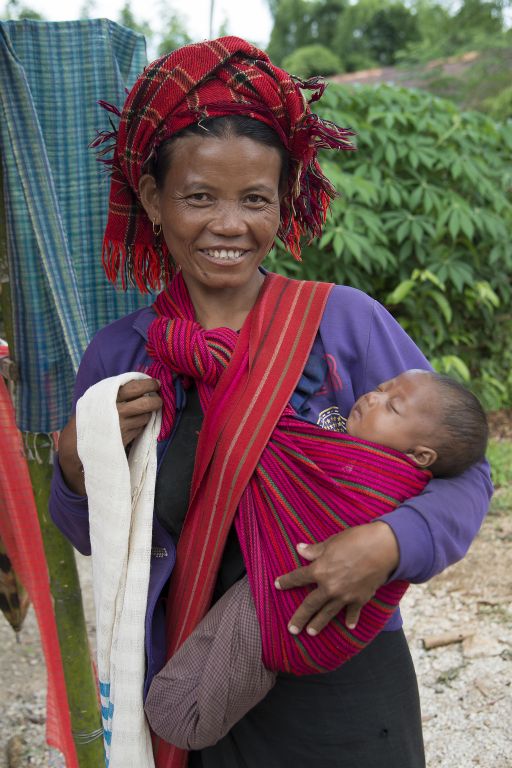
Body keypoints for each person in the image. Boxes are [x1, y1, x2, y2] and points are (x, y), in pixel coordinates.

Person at [49, 37, 492, 768]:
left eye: (255, 199)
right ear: (154, 202)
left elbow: (467, 474)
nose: (230, 225)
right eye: (198, 197)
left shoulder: (344, 324)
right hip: (198, 679)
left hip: (343, 678)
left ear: (282, 204)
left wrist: (387, 544)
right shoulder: (122, 357)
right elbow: (93, 533)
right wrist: (74, 462)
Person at [144, 368, 489, 751]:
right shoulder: (337, 448)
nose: (371, 397)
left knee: (177, 713)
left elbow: (277, 440)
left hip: (289, 614)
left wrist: (390, 540)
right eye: (378, 388)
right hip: (230, 598)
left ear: (420, 455)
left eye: (391, 406)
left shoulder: (381, 479)